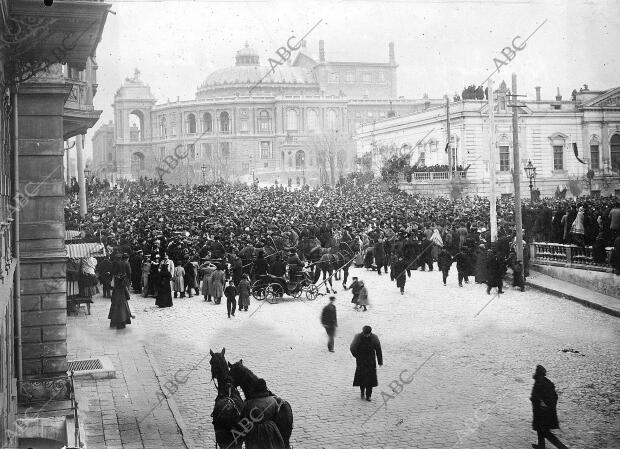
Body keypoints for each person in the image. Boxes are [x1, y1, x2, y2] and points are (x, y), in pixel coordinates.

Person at [530, 365, 568, 449]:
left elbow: (540, 397)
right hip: (543, 411)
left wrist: (541, 403)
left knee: (545, 432)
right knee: (540, 430)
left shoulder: (541, 383)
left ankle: (562, 447)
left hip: (543, 412)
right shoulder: (545, 382)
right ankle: (541, 446)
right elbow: (554, 397)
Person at [350, 325, 382, 402]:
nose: (366, 335)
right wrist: (357, 356)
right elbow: (352, 347)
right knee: (362, 377)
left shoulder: (374, 338)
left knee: (370, 379)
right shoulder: (358, 337)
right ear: (363, 332)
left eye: (368, 334)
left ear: (370, 333)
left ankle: (368, 395)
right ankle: (362, 392)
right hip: (361, 361)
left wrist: (380, 361)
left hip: (371, 361)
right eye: (365, 334)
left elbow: (378, 349)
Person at [108, 253, 132, 329]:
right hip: (122, 285)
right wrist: (128, 282)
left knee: (115, 303)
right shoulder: (125, 264)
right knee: (123, 302)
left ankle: (114, 321)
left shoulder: (113, 264)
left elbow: (111, 275)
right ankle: (123, 321)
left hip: (116, 286)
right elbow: (129, 274)